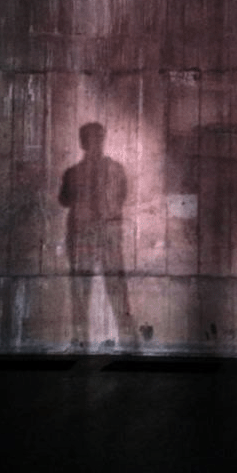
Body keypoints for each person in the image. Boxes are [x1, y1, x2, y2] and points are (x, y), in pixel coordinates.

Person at [59, 122, 136, 349]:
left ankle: (124, 340)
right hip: (87, 235)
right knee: (89, 290)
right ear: (84, 143)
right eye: (94, 139)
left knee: (111, 288)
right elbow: (65, 200)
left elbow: (65, 200)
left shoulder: (81, 172)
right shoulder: (80, 172)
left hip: (98, 234)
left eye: (99, 138)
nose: (97, 143)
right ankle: (87, 340)